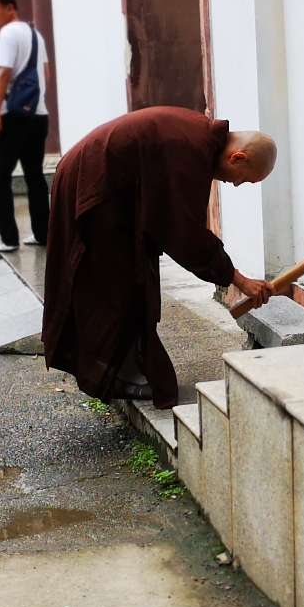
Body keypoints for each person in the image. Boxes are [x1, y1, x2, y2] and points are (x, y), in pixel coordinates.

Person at [42, 107, 276, 408]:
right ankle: (116, 374)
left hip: (98, 184)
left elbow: (167, 221)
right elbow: (184, 234)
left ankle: (125, 373)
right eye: (242, 179)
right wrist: (238, 279)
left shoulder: (197, 139)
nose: (234, 184)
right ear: (238, 158)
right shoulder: (190, 149)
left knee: (134, 279)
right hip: (94, 188)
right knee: (110, 283)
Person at [0, 0, 50, 252]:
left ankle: (9, 238)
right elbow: (46, 73)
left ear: (11, 8)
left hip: (12, 117)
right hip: (38, 115)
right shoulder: (35, 34)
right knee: (34, 175)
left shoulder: (7, 34)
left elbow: (3, 74)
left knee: (0, 177)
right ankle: (43, 233)